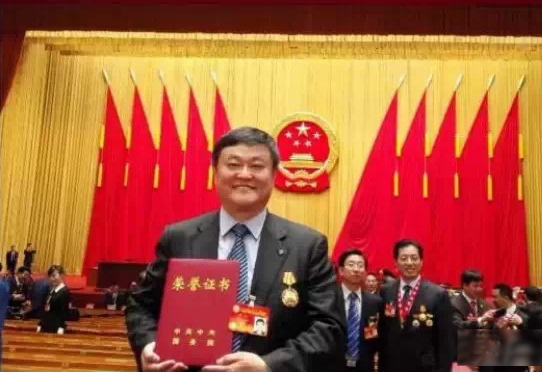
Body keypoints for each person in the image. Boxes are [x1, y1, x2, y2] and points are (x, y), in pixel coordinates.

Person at [125, 127, 345, 372]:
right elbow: (141, 306)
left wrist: (269, 365)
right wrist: (148, 346)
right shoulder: (179, 238)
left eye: (257, 166)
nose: (244, 174)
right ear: (215, 173)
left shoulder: (306, 245)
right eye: (233, 164)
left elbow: (329, 327)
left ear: (274, 175)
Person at [378, 240, 455, 372]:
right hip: (391, 365)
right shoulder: (386, 291)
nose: (409, 263)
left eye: (414, 258)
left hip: (425, 367)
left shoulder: (438, 294)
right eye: (404, 258)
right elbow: (382, 331)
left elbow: (446, 341)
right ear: (396, 262)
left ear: (421, 261)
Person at [335, 249, 381, 372]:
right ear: (341, 270)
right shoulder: (329, 298)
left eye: (360, 266)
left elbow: (374, 332)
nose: (356, 269)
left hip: (364, 365)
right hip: (333, 363)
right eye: (351, 265)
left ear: (365, 272)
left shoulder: (374, 302)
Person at [38, 265, 70, 334]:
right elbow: (45, 308)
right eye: (50, 276)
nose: (51, 279)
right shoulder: (51, 289)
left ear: (61, 275)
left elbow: (64, 312)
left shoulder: (64, 291)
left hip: (56, 327)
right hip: (45, 325)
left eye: (54, 276)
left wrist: (61, 327)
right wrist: (40, 324)